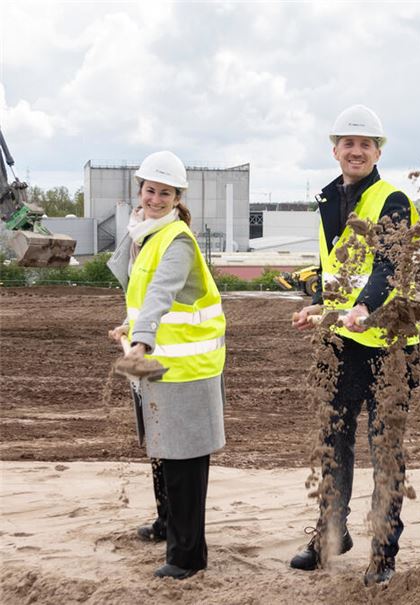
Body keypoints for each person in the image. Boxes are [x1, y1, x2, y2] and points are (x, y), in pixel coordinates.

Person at [289, 104, 419, 586]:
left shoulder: (393, 199)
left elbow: (386, 264)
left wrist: (364, 307)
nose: (357, 150)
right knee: (332, 442)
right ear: (335, 149)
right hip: (339, 343)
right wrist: (320, 306)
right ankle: (331, 533)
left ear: (378, 150)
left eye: (366, 143)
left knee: (385, 450)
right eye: (348, 142)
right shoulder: (327, 198)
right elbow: (337, 268)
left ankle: (383, 553)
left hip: (389, 345)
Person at [106, 150, 227, 580]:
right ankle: (166, 524)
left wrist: (139, 340)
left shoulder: (176, 240)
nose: (156, 198)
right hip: (155, 363)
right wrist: (129, 325)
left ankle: (187, 555)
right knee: (161, 452)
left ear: (177, 197)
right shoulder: (145, 235)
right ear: (139, 191)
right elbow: (145, 301)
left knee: (183, 460)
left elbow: (162, 292)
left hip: (185, 369)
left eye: (165, 192)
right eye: (150, 190)